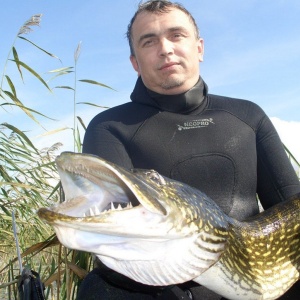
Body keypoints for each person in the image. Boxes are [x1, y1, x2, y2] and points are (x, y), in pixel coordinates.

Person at [78, 1, 300, 299]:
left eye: (176, 35)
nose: (165, 48)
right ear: (135, 62)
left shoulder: (248, 117)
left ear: (199, 48)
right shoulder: (109, 127)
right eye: (149, 41)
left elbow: (291, 209)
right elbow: (115, 235)